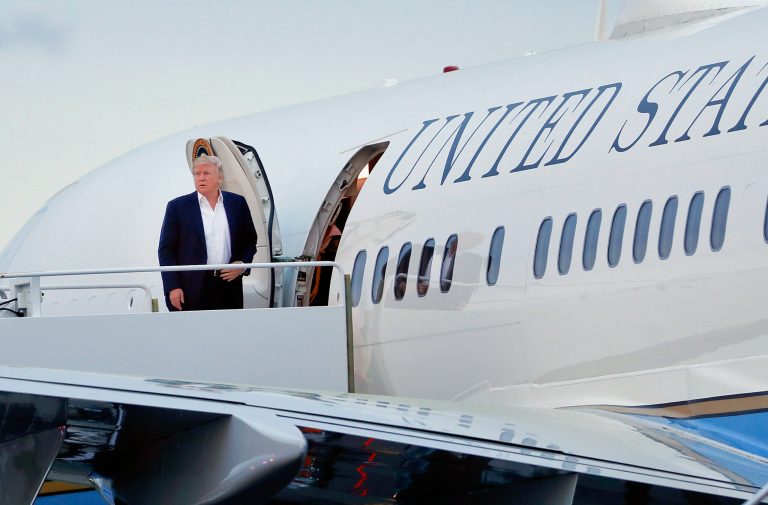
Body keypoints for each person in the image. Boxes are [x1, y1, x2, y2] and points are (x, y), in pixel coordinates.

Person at [158, 155, 257, 311]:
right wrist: (173, 286)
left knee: (228, 333)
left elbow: (250, 241)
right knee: (194, 333)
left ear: (220, 178)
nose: (201, 178)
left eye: (206, 173)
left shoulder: (237, 203)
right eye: (197, 174)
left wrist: (242, 265)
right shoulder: (177, 207)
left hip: (229, 283)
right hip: (191, 286)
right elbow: (166, 250)